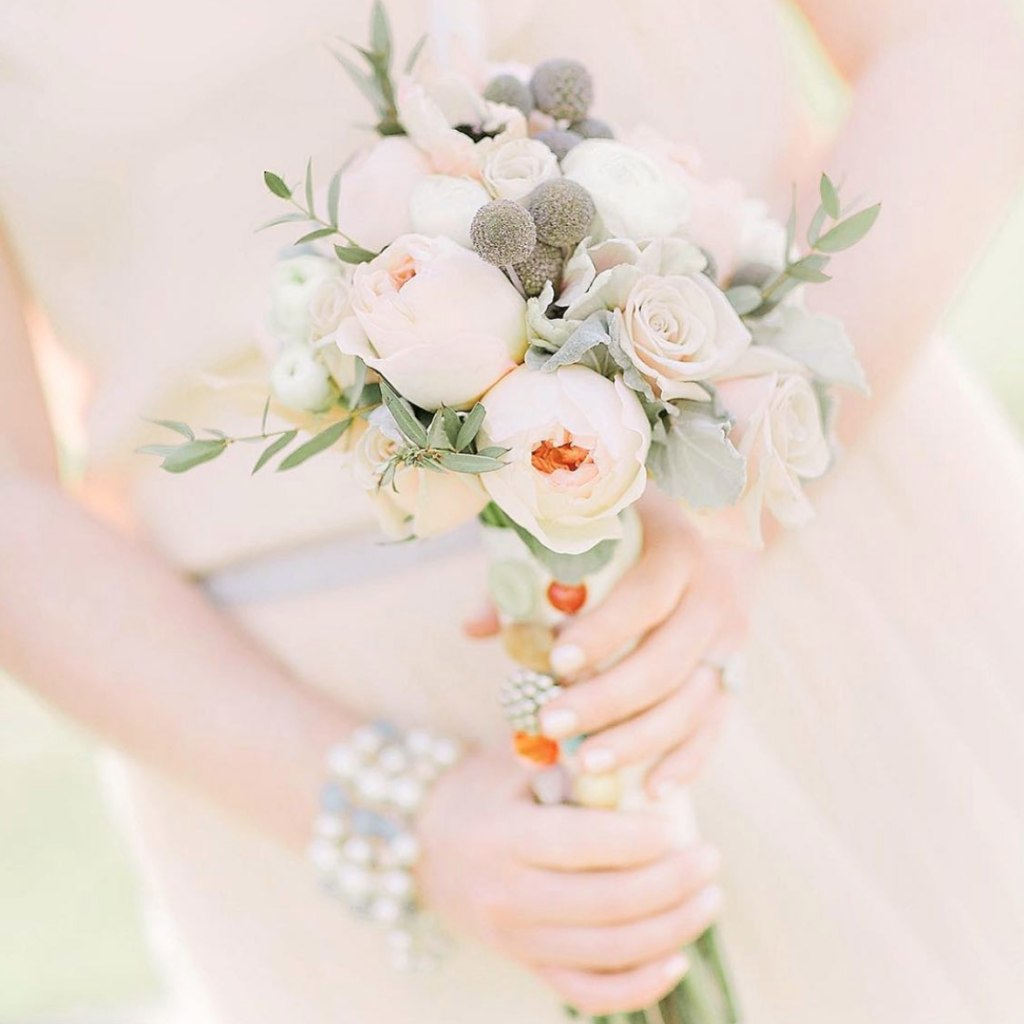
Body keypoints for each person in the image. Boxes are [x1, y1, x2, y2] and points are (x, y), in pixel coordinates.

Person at [1, 1, 1023, 1021]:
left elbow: (958, 39)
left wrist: (743, 487)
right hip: (290, 733)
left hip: (835, 591)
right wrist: (403, 815)